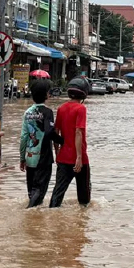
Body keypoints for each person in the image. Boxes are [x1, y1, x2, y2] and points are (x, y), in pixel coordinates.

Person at [49, 77, 91, 208]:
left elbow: (56, 131)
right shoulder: (81, 109)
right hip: (80, 158)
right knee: (84, 198)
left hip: (63, 157)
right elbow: (78, 132)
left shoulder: (61, 108)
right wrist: (79, 157)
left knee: (57, 193)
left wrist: (57, 152)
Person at [20, 79, 58, 208]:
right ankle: (29, 212)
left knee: (32, 190)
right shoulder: (47, 112)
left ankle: (32, 219)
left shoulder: (27, 113)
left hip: (30, 156)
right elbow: (49, 132)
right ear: (46, 95)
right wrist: (62, 141)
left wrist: (22, 158)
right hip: (44, 157)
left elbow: (24, 137)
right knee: (40, 190)